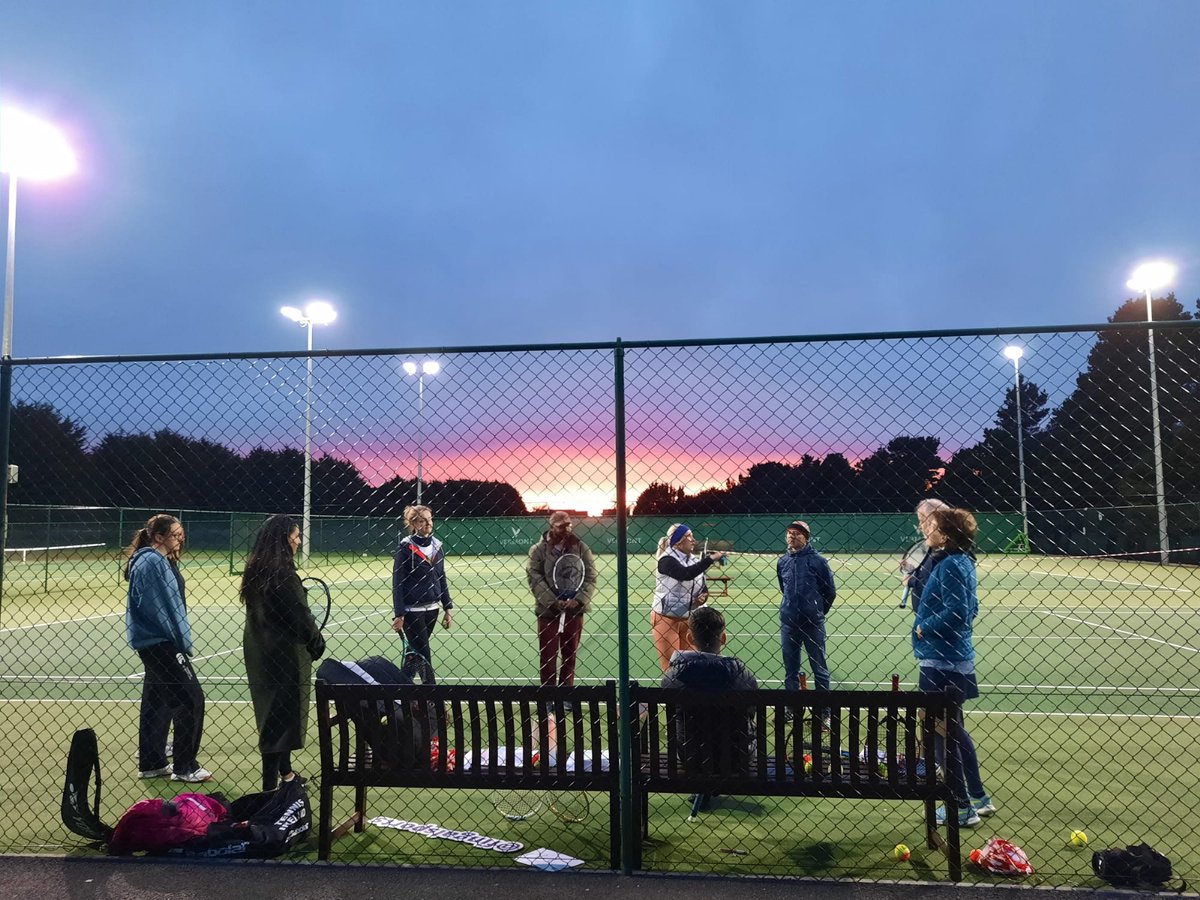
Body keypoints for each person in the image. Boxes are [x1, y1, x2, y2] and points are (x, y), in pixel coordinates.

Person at [912, 506, 997, 827]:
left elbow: (959, 613)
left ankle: (962, 807)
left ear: (945, 535)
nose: (926, 531)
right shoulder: (962, 562)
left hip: (942, 662)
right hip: (953, 660)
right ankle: (978, 798)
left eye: (931, 526)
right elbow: (970, 608)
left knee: (941, 736)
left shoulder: (950, 566)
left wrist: (924, 626)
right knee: (955, 731)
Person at [124, 514, 211, 783]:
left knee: (157, 700)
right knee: (191, 698)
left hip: (155, 640)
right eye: (175, 534)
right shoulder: (151, 562)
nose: (180, 538)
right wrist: (177, 639)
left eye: (181, 533)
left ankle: (152, 762)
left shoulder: (157, 560)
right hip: (160, 641)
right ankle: (185, 766)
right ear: (159, 537)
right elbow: (158, 607)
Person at [241, 515, 326, 792]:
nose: (298, 542)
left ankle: (285, 774)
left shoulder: (256, 570)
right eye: (296, 536)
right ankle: (271, 788)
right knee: (281, 721)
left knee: (273, 717)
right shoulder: (283, 574)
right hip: (284, 657)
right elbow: (299, 615)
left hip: (260, 653)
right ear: (283, 539)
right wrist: (316, 641)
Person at [527, 511, 598, 688]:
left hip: (574, 611)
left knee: (570, 655)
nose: (567, 529)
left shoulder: (581, 548)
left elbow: (590, 576)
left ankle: (567, 693)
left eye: (569, 525)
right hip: (548, 612)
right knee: (548, 656)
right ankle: (549, 695)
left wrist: (579, 599)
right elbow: (534, 578)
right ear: (552, 527)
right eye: (561, 526)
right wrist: (552, 601)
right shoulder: (538, 550)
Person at [651, 523, 727, 672]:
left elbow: (702, 586)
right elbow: (685, 574)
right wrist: (710, 559)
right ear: (678, 540)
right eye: (689, 536)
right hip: (667, 618)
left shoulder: (693, 560)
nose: (693, 540)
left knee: (693, 666)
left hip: (691, 619)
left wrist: (703, 597)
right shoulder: (666, 560)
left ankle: (689, 695)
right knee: (672, 668)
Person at [392, 505, 453, 682]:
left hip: (433, 609)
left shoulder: (437, 546)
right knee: (424, 653)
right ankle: (433, 700)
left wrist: (447, 607)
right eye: (422, 520)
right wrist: (399, 613)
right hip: (412, 612)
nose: (428, 523)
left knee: (415, 656)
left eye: (429, 519)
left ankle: (400, 692)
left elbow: (441, 577)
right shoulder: (405, 548)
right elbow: (398, 583)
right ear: (413, 524)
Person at [776, 521, 836, 698]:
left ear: (806, 538)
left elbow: (830, 592)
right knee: (790, 671)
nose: (792, 536)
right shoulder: (783, 561)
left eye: (798, 533)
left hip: (812, 624)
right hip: (789, 623)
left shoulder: (818, 561)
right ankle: (792, 709)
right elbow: (783, 588)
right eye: (790, 532)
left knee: (820, 669)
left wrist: (816, 611)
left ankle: (824, 712)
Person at [903, 498, 951, 614]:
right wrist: (911, 567)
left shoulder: (948, 552)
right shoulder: (934, 547)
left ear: (934, 521)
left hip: (935, 621)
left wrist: (910, 581)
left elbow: (931, 584)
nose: (920, 526)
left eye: (922, 520)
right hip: (926, 619)